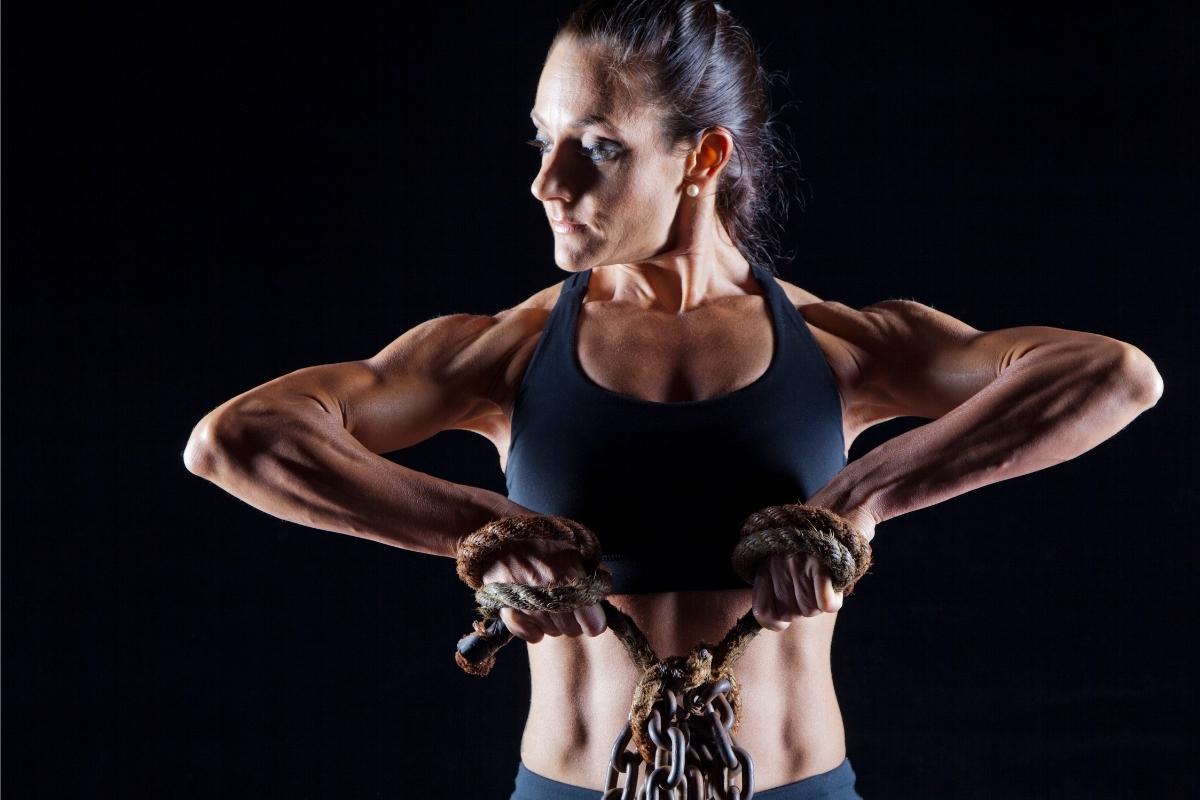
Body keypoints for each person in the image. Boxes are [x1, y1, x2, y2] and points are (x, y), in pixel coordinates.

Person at [183, 1, 1163, 797]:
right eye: (543, 138)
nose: (545, 182)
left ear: (703, 159)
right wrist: (481, 525)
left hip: (797, 787)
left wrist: (863, 497)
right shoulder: (508, 350)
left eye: (598, 147)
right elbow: (237, 440)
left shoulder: (840, 346)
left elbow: (1112, 376)